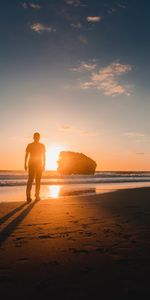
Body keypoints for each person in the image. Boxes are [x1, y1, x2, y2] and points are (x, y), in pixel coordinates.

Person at [24, 132, 46, 203]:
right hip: (35, 164)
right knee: (35, 180)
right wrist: (25, 164)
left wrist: (25, 164)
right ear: (34, 137)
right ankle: (33, 196)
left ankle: (34, 196)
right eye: (36, 137)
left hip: (36, 164)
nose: (37, 138)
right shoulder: (31, 145)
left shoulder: (33, 145)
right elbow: (26, 155)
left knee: (34, 180)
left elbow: (43, 155)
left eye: (37, 137)